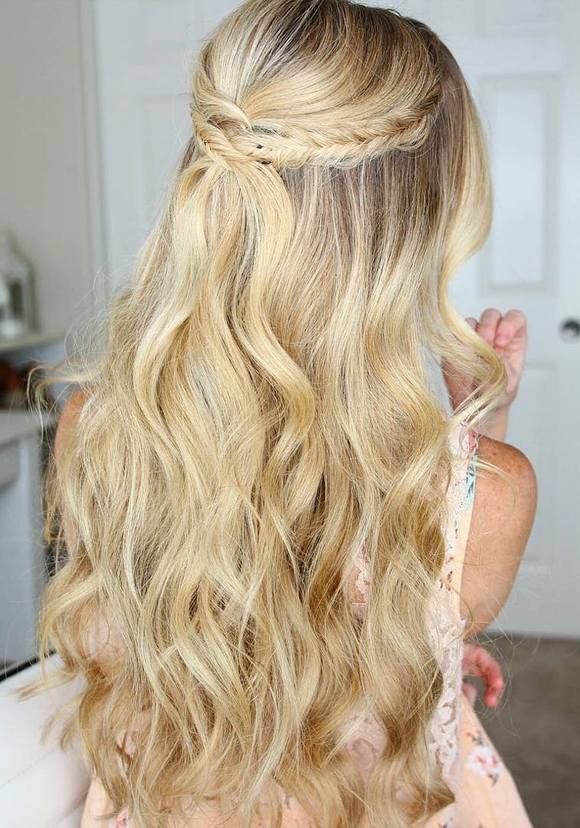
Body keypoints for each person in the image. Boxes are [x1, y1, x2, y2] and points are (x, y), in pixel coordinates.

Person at [28, 1, 537, 826]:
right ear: (416, 227)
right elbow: (429, 594)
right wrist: (481, 426)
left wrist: (434, 648)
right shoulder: (492, 493)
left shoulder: (99, 433)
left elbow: (140, 649)